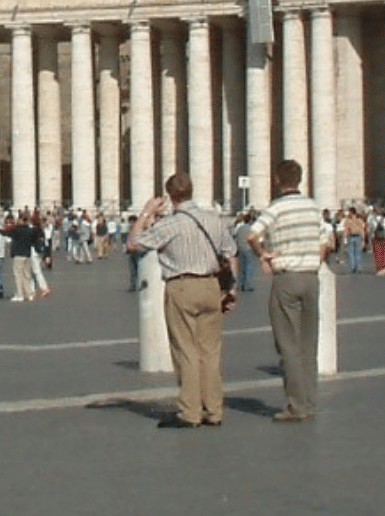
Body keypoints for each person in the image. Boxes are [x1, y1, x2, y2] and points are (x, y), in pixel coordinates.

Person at [130, 172, 236, 429]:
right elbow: (231, 253)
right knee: (210, 351)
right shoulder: (214, 219)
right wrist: (231, 291)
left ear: (170, 196)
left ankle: (190, 412)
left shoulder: (169, 224)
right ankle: (214, 410)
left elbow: (133, 243)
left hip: (182, 287)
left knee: (186, 350)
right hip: (211, 286)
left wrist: (145, 213)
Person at [246, 160, 331, 423]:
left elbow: (252, 234)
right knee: (309, 344)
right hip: (311, 277)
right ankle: (309, 401)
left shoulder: (276, 208)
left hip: (287, 278)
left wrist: (263, 255)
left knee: (288, 344)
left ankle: (296, 405)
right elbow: (327, 238)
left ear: (276, 180)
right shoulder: (313, 206)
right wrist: (315, 259)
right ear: (301, 179)